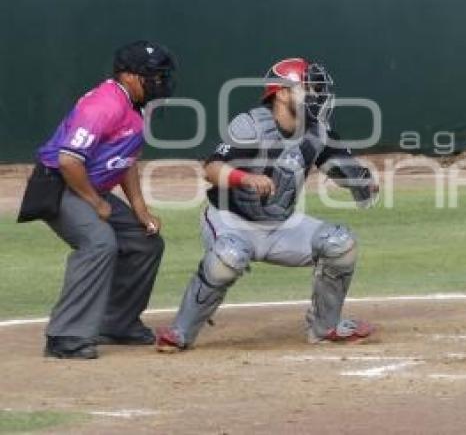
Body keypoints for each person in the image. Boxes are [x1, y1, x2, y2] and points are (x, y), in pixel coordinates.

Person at [155, 57, 379, 352]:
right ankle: (180, 332)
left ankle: (325, 327)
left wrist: (360, 180)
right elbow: (211, 168)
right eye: (309, 87)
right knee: (229, 257)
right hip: (230, 220)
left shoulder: (317, 131)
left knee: (340, 243)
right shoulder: (251, 126)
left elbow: (338, 167)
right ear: (283, 92)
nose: (317, 94)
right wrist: (245, 179)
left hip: (280, 225)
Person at [18, 41, 178, 359]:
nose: (159, 81)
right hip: (59, 185)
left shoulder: (136, 105)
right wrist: (95, 203)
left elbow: (125, 160)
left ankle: (117, 323)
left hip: (87, 186)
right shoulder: (105, 105)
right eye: (153, 75)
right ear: (129, 76)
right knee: (99, 242)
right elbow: (68, 161)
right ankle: (65, 336)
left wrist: (141, 210)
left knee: (144, 242)